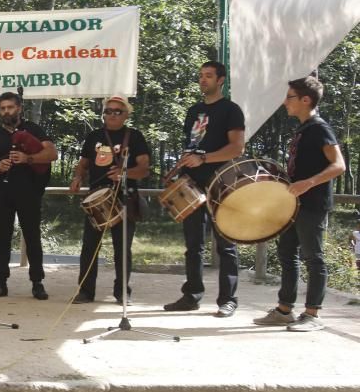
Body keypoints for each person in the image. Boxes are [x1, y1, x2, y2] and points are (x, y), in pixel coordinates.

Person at [254, 76, 345, 332]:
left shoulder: (320, 128)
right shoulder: (304, 129)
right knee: (286, 253)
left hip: (313, 204)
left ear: (306, 100)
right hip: (294, 205)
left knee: (313, 257)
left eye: (289, 97)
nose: (285, 102)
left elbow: (339, 166)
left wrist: (308, 183)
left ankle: (312, 314)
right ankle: (285, 310)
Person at [163, 60, 245, 318]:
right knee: (193, 244)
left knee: (226, 244)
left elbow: (237, 148)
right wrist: (177, 170)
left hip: (221, 182)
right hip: (191, 183)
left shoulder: (231, 110)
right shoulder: (193, 111)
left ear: (221, 80)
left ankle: (228, 299)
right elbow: (192, 146)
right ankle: (191, 295)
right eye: (200, 75)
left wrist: (205, 159)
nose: (203, 80)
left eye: (208, 76)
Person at [69, 95, 150, 304]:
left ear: (126, 115)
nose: (111, 115)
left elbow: (144, 169)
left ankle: (122, 292)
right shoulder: (94, 136)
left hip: (124, 198)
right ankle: (86, 291)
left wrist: (125, 174)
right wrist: (77, 177)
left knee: (122, 249)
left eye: (117, 111)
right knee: (89, 247)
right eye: (108, 111)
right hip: (97, 197)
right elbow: (84, 163)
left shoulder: (135, 137)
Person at [0, 92, 57, 299]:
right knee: (2, 237)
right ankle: (0, 282)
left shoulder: (33, 129)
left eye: (10, 108)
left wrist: (27, 158)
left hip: (29, 192)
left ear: (19, 108)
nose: (6, 111)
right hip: (2, 193)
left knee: (32, 236)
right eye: (3, 108)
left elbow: (52, 154)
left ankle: (37, 282)